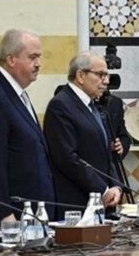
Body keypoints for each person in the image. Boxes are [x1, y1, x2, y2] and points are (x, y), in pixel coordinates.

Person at [0, 29, 55, 229]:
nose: (38, 64)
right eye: (32, 57)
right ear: (11, 59)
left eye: (39, 57)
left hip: (33, 213)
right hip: (13, 217)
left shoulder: (16, 92)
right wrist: (4, 212)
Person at [44, 52, 122, 218]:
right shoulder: (61, 105)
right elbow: (66, 158)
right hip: (76, 205)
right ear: (80, 76)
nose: (106, 81)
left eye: (107, 75)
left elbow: (106, 154)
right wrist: (103, 190)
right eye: (101, 75)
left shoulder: (93, 106)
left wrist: (115, 186)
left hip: (102, 204)